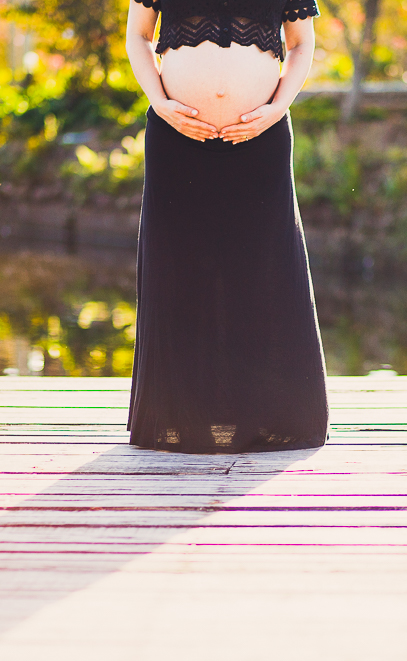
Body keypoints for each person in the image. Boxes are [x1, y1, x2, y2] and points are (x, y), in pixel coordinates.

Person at [124, 0, 330, 454]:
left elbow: (301, 43)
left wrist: (278, 108)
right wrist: (160, 103)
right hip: (175, 133)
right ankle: (178, 420)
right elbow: (137, 36)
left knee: (264, 272)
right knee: (178, 272)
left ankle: (275, 419)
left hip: (262, 133)